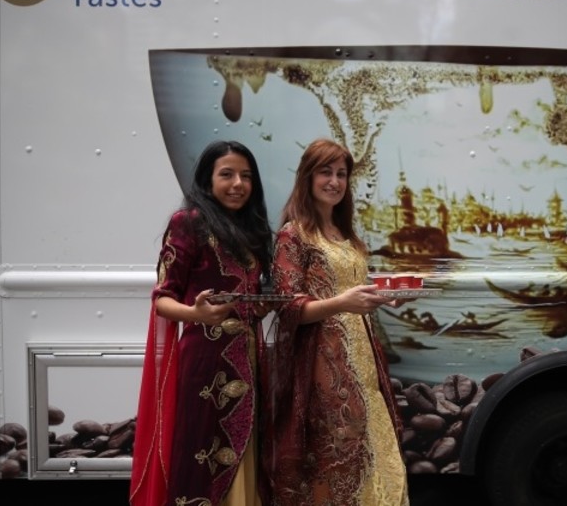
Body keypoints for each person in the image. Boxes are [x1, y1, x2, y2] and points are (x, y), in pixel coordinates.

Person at [263, 138, 408, 506]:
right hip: (323, 366)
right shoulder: (293, 235)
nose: (334, 181)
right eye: (325, 172)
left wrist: (382, 296)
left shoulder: (347, 236)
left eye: (341, 174)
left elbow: (354, 295)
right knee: (339, 452)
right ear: (307, 177)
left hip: (364, 361)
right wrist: (341, 303)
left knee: (379, 449)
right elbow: (288, 307)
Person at [130, 140, 273, 506]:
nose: (238, 184)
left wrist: (260, 307)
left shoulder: (251, 230)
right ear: (207, 181)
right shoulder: (188, 223)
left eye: (246, 176)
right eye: (226, 174)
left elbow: (249, 295)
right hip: (206, 369)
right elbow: (162, 298)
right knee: (202, 458)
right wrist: (195, 314)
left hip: (250, 364)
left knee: (247, 453)